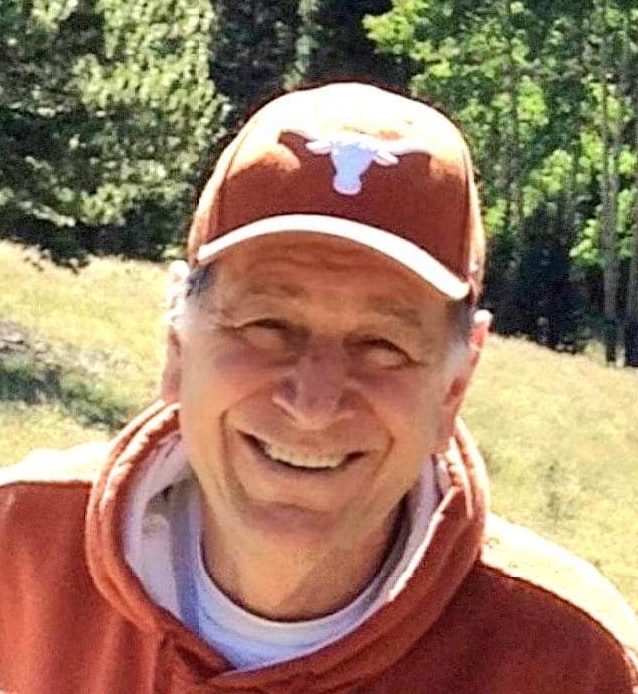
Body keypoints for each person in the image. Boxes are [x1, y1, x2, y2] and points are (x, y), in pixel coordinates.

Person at [1, 82, 637, 694]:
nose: (313, 404)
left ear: (455, 384)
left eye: (382, 346)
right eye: (267, 326)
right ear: (178, 341)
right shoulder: (18, 551)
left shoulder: (575, 667)